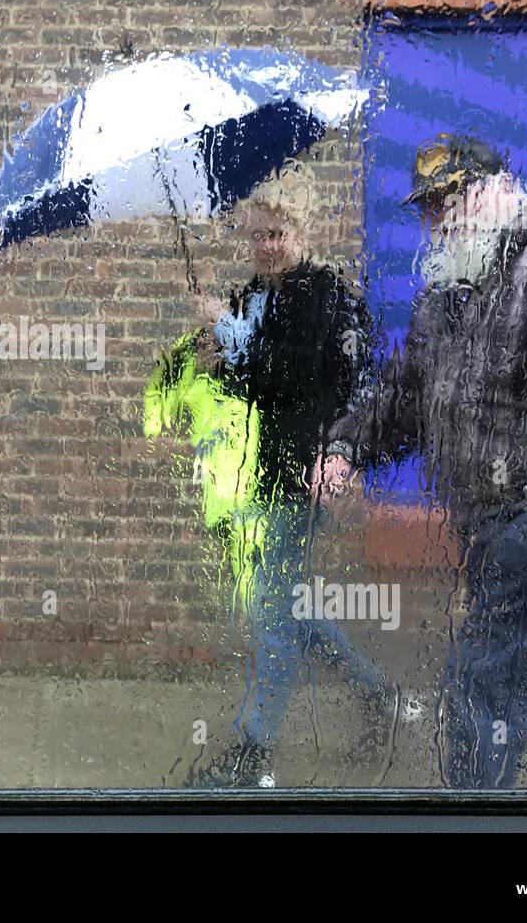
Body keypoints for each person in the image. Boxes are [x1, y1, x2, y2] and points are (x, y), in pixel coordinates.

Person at [316, 134, 527, 789]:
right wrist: (345, 447)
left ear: (502, 188)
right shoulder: (450, 291)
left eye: (455, 197)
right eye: (431, 208)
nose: (442, 217)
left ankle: (470, 819)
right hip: (490, 526)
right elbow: (406, 394)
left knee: (481, 684)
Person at [154, 159, 395, 789]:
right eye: (258, 235)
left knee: (267, 610)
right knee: (284, 603)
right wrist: (213, 359)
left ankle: (251, 753)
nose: (267, 246)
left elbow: (304, 375)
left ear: (303, 232)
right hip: (253, 468)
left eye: (278, 234)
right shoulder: (252, 296)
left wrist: (227, 330)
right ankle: (378, 696)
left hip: (297, 472)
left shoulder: (325, 296)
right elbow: (250, 380)